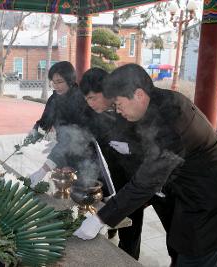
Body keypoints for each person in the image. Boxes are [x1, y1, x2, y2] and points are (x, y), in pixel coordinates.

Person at [73, 64, 217, 267]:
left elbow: (147, 180)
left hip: (214, 204)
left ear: (138, 94)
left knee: (192, 256)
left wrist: (101, 218)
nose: (118, 111)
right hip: (199, 200)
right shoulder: (156, 103)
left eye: (119, 104)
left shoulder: (172, 117)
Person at [79, 67, 176, 262]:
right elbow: (90, 148)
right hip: (124, 184)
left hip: (154, 182)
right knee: (129, 233)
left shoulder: (137, 110)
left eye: (93, 98)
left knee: (176, 237)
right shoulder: (98, 114)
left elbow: (157, 149)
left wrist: (131, 148)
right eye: (86, 99)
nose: (89, 104)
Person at [28, 61, 92, 185]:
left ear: (70, 80)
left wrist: (43, 169)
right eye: (53, 82)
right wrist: (35, 131)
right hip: (61, 149)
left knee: (76, 188)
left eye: (60, 82)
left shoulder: (80, 99)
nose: (56, 86)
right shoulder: (54, 98)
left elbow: (74, 136)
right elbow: (45, 120)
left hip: (81, 152)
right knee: (60, 184)